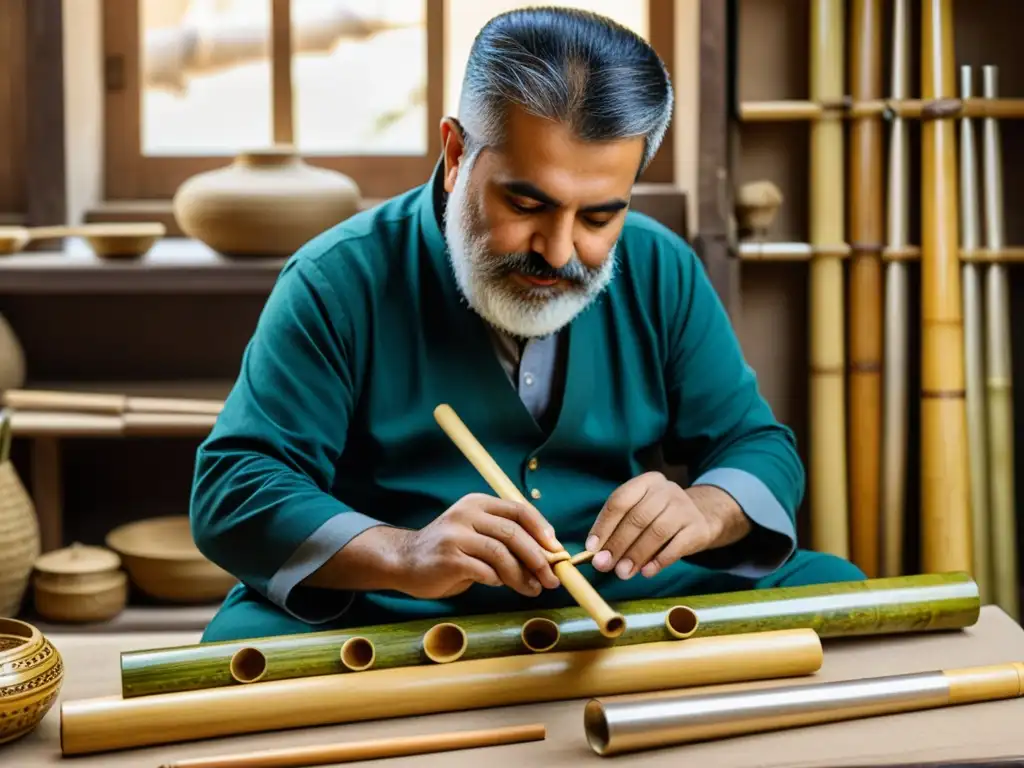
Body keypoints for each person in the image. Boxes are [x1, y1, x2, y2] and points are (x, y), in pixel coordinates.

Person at [190, 6, 864, 643]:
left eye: (599, 217)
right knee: (237, 648)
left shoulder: (662, 266)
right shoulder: (338, 278)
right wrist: (405, 552)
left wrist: (705, 509)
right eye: (526, 202)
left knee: (837, 588)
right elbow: (236, 484)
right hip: (397, 607)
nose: (560, 250)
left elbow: (758, 445)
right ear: (456, 154)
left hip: (622, 595)